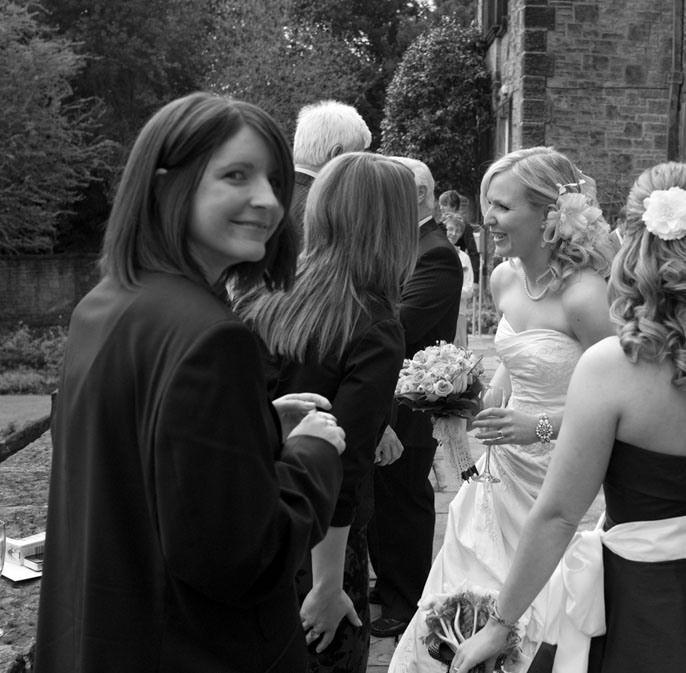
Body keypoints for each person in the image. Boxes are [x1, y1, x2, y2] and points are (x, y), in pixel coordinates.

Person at [451, 162, 686, 673]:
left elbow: (557, 516)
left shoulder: (610, 367)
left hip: (642, 606)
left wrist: (500, 624)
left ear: (632, 241)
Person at [34, 92, 348, 673]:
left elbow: (131, 464)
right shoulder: (211, 337)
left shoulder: (105, 305)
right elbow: (242, 561)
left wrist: (255, 428)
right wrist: (313, 455)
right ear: (163, 186)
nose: (268, 201)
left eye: (275, 180)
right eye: (236, 175)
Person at [387, 146, 616, 673]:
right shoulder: (505, 279)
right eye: (487, 203)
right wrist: (462, 399)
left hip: (563, 473)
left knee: (548, 618)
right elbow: (514, 372)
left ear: (548, 214)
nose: (485, 219)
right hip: (499, 473)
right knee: (463, 592)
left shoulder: (586, 297)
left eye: (502, 207)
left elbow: (621, 403)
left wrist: (535, 425)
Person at [235, 152, 418, 673]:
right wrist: (328, 586)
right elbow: (344, 469)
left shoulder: (265, 291)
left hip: (249, 524)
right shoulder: (376, 325)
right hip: (317, 547)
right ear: (394, 226)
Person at [368, 156, 464, 638]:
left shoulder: (436, 252)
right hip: (392, 391)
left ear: (420, 195)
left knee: (405, 496)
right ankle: (388, 582)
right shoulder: (406, 242)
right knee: (383, 496)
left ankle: (406, 600)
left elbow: (402, 324)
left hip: (413, 398)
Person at [291, 100, 372, 234]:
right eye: (357, 157)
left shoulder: (269, 193)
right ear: (337, 154)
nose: (360, 167)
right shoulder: (331, 212)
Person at [442, 211, 475, 349]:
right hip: (439, 312)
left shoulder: (464, 258)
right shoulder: (437, 254)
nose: (453, 233)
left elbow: (469, 289)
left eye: (458, 230)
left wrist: (449, 293)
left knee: (459, 349)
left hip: (459, 312)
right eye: (450, 229)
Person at [438, 188, 481, 285]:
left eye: (444, 204)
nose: (441, 207)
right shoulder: (439, 225)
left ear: (454, 206)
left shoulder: (465, 226)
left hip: (456, 270)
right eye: (440, 204)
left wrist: (475, 281)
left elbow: (473, 252)